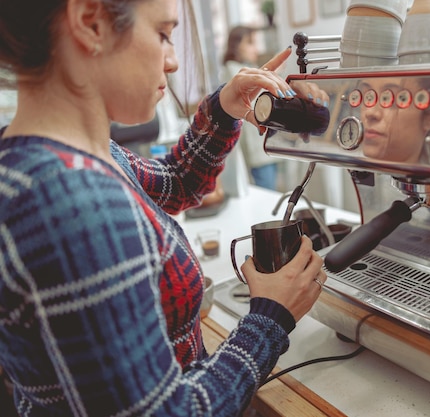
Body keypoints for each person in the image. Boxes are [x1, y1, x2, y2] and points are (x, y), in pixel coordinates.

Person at [0, 0, 329, 416]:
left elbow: (175, 184)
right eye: (162, 34)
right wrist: (270, 317)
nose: (172, 62)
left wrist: (226, 108)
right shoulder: (72, 200)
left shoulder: (67, 157)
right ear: (90, 24)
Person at [221, 25, 281, 190]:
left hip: (265, 145)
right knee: (267, 191)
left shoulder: (246, 70)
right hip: (257, 149)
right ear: (236, 45)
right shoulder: (234, 72)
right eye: (250, 43)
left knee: (271, 189)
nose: (256, 48)